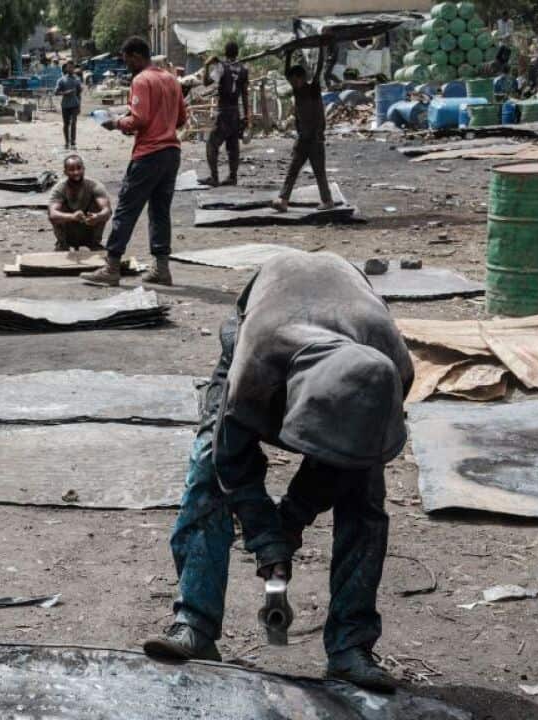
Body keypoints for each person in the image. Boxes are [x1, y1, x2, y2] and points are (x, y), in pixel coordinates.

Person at [141, 252, 413, 693]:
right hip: (267, 321)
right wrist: (267, 539)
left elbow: (347, 461)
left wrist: (289, 523)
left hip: (347, 326)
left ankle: (351, 648)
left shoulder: (392, 369)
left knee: (364, 499)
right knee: (206, 472)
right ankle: (194, 624)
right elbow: (232, 461)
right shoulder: (257, 364)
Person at [79, 36, 185, 288]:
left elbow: (138, 120)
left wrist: (115, 122)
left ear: (137, 56)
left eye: (127, 60)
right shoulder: (171, 79)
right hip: (171, 152)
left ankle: (111, 266)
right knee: (160, 211)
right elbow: (181, 118)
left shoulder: (141, 80)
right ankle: (161, 268)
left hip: (148, 154)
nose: (126, 66)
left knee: (127, 209)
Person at [271, 45, 335, 213]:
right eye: (291, 80)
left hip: (315, 139)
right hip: (302, 139)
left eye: (294, 80)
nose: (292, 82)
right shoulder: (297, 91)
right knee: (292, 170)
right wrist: (290, 52)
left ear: (301, 78)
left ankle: (327, 201)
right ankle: (283, 200)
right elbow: (286, 73)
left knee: (319, 172)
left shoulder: (313, 89)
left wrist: (322, 47)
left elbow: (319, 67)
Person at [200, 41, 249, 187]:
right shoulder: (243, 70)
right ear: (237, 53)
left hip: (224, 112)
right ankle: (232, 177)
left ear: (225, 52)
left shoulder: (222, 67)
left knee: (211, 144)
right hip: (236, 111)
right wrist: (246, 117)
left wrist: (207, 65)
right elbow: (245, 95)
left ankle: (214, 177)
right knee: (233, 146)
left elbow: (206, 82)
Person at [47, 154, 112, 251]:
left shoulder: (95, 186)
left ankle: (95, 244)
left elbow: (107, 211)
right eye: (71, 169)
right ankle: (62, 245)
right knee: (56, 211)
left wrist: (97, 217)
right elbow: (52, 214)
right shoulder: (59, 188)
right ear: (65, 172)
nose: (76, 172)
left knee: (101, 209)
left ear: (84, 169)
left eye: (79, 168)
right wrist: (72, 217)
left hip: (89, 227)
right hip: (69, 230)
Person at [56, 62, 83, 148]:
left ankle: (73, 142)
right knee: (66, 124)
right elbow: (56, 92)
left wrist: (79, 106)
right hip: (65, 105)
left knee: (74, 123)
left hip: (75, 104)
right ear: (66, 69)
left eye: (72, 67)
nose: (71, 69)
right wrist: (65, 93)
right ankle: (66, 142)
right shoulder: (61, 80)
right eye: (69, 67)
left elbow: (79, 94)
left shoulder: (77, 80)